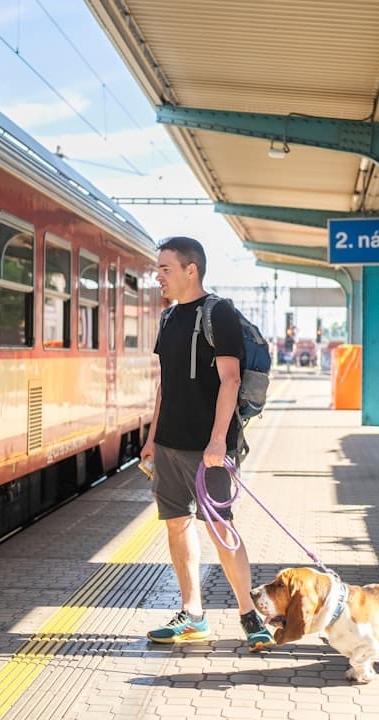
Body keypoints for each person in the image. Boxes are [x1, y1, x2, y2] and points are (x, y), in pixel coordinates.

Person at [139, 235, 275, 652]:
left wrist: (219, 442)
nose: (157, 276)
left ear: (190, 269)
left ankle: (249, 614)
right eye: (158, 269)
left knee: (220, 528)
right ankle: (192, 614)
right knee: (177, 527)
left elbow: (230, 379)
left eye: (165, 268)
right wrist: (150, 440)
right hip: (169, 444)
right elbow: (167, 384)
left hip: (209, 448)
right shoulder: (168, 319)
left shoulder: (220, 314)